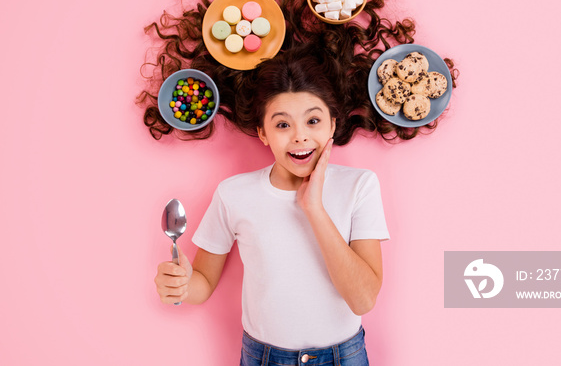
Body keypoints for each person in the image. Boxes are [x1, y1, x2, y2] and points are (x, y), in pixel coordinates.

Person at [155, 49, 389, 365]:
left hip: (343, 356)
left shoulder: (359, 186)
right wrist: (181, 285)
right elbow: (204, 283)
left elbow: (362, 300)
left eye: (314, 120)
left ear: (332, 126)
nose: (300, 137)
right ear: (263, 133)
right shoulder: (234, 194)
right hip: (264, 357)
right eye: (282, 125)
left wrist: (314, 208)